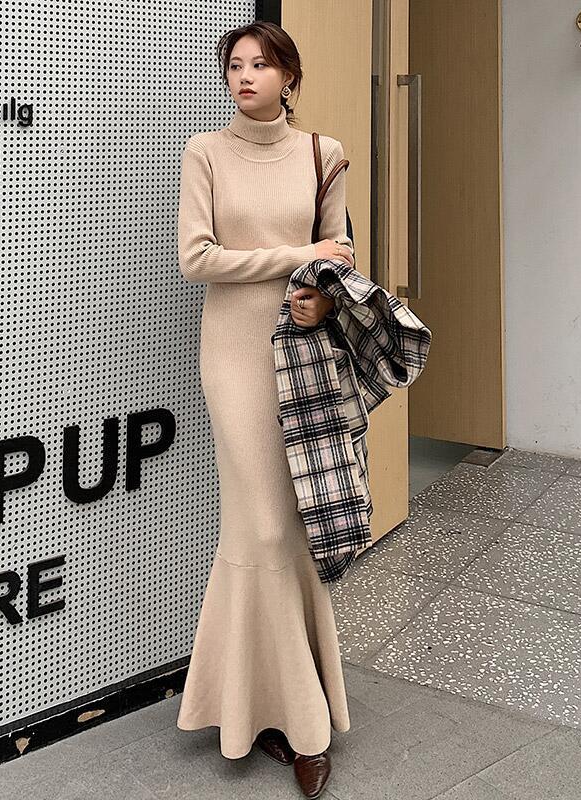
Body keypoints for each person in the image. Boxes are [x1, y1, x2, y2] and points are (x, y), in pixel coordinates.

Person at [175, 20, 355, 799]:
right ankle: (306, 727)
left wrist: (319, 299)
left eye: (260, 64)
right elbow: (197, 258)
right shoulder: (206, 152)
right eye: (234, 65)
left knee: (285, 530)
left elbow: (339, 258)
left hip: (300, 354)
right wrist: (294, 259)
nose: (244, 76)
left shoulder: (323, 153)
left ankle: (251, 705)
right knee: (263, 527)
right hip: (233, 357)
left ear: (289, 75)